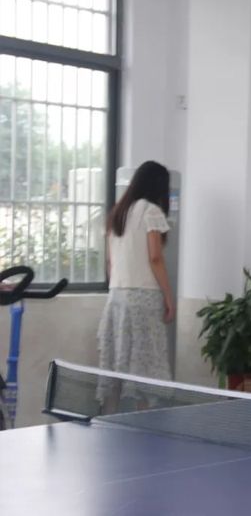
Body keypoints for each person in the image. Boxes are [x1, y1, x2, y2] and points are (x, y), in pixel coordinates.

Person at [97, 161, 174, 406]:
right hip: (144, 296)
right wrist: (169, 297)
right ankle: (143, 418)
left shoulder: (118, 213)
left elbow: (110, 263)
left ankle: (115, 417)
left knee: (120, 361)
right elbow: (155, 257)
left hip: (116, 297)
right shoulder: (151, 211)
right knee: (146, 364)